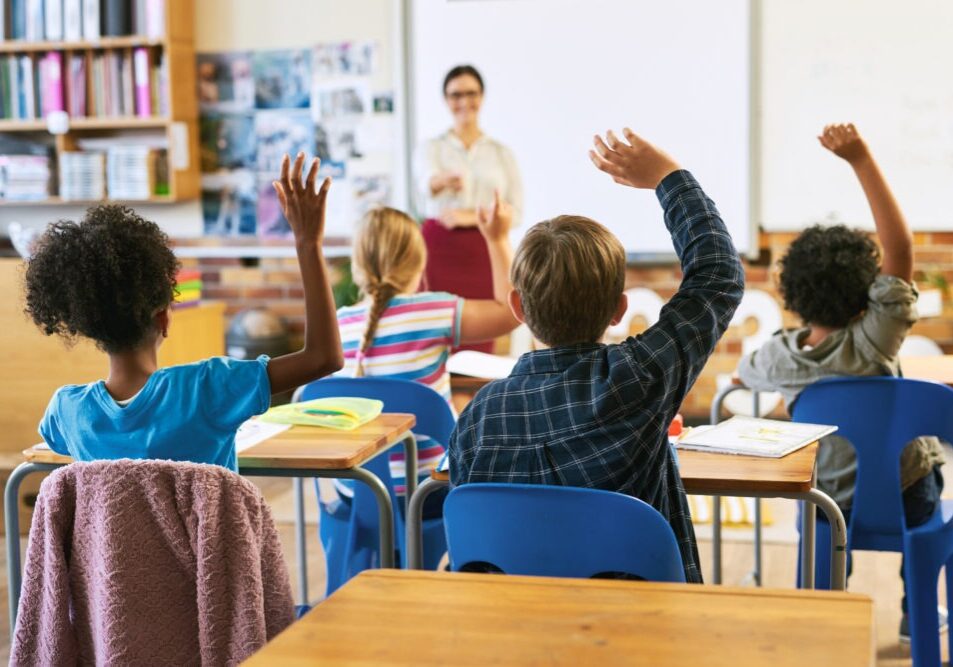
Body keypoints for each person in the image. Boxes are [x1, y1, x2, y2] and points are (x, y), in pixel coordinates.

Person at [449, 127, 745, 583]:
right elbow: (718, 275)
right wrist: (668, 177)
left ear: (517, 309)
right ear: (619, 311)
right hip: (641, 620)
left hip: (514, 620)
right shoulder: (637, 380)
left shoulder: (478, 418)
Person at [736, 123, 945, 640]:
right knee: (924, 474)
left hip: (828, 503)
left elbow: (745, 375)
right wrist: (860, 159)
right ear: (867, 295)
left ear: (792, 294)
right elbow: (900, 251)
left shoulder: (780, 358)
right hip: (906, 493)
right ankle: (914, 612)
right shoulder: (876, 338)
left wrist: (769, 388)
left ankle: (824, 612)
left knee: (817, 517)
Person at [28, 153, 344, 472]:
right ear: (162, 319)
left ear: (89, 326)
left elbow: (58, 441)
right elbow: (324, 358)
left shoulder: (67, 411)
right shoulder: (207, 389)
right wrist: (307, 243)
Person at [333, 195, 519, 509]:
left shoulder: (338, 325)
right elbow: (511, 311)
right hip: (427, 492)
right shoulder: (434, 311)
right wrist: (497, 238)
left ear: (357, 264)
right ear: (419, 262)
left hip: (356, 493)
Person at [416, 64, 523, 353]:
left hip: (485, 248)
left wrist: (470, 216)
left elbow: (515, 211)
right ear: (446, 100)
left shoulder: (501, 153)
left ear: (482, 97)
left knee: (484, 331)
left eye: (471, 94)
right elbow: (424, 185)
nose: (464, 101)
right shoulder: (431, 148)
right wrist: (440, 181)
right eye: (456, 95)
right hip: (438, 249)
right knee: (435, 328)